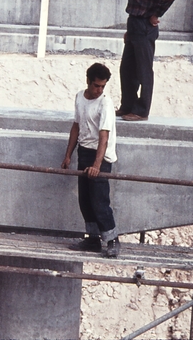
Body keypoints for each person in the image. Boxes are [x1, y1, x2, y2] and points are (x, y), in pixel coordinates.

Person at [62, 62, 120, 258]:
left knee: (99, 200)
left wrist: (97, 165)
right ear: (88, 81)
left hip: (100, 156)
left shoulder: (106, 103)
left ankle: (112, 240)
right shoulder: (80, 97)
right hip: (84, 152)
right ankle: (93, 239)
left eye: (103, 86)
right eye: (96, 85)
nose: (99, 90)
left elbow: (104, 136)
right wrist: (68, 155)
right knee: (85, 200)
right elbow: (76, 127)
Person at [117, 0, 175, 121]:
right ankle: (128, 106)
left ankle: (141, 111)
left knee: (143, 71)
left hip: (144, 27)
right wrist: (129, 30)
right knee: (127, 69)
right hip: (134, 25)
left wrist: (155, 14)